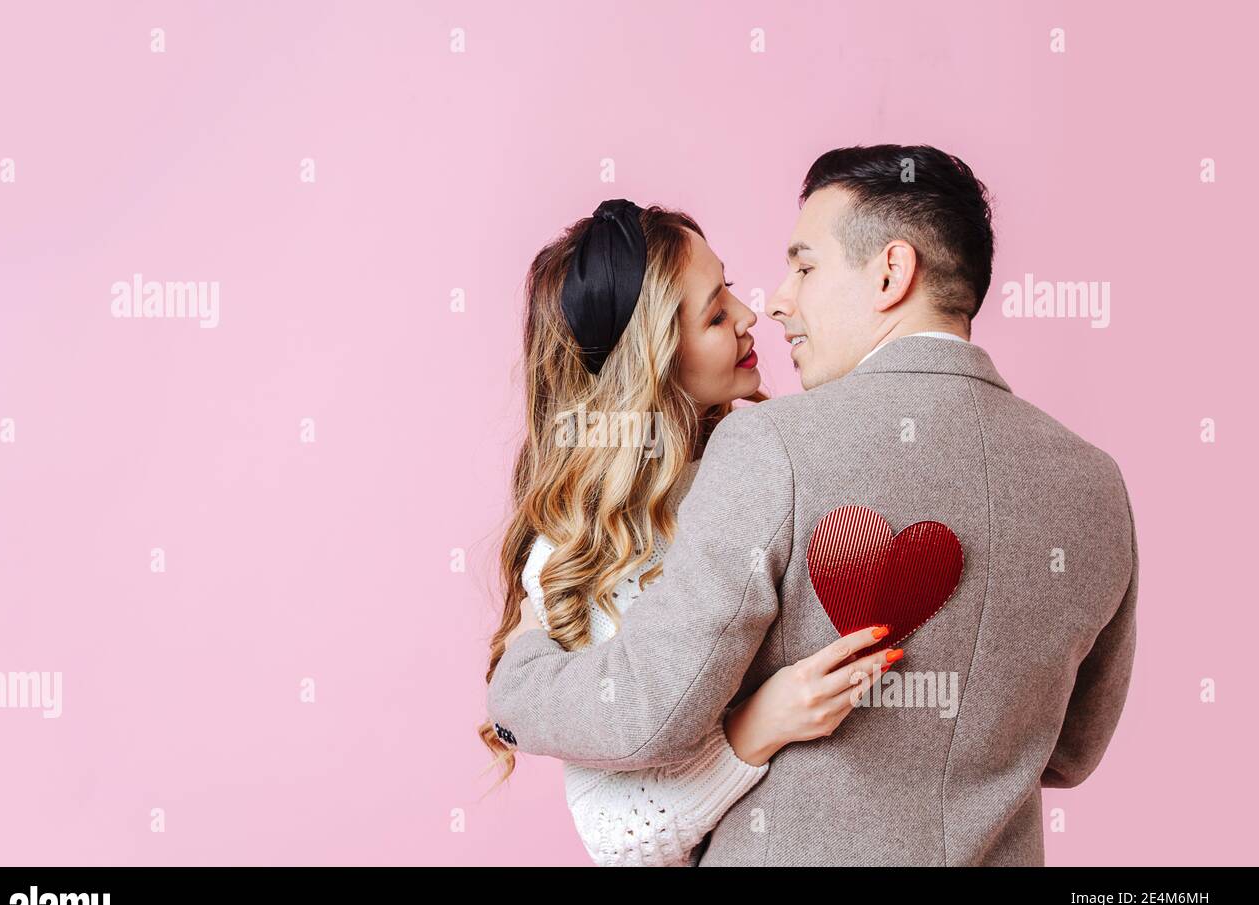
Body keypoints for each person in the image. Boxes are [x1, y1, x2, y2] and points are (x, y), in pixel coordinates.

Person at [487, 145, 1138, 866]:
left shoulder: (769, 448)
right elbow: (1072, 753)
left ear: (891, 272)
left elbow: (646, 712)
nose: (775, 300)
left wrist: (516, 680)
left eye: (805, 265)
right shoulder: (1097, 485)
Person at [478, 199, 901, 866]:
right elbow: (618, 835)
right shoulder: (587, 551)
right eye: (713, 313)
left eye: (728, 287)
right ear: (655, 361)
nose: (748, 314)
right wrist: (757, 730)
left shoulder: (768, 462)